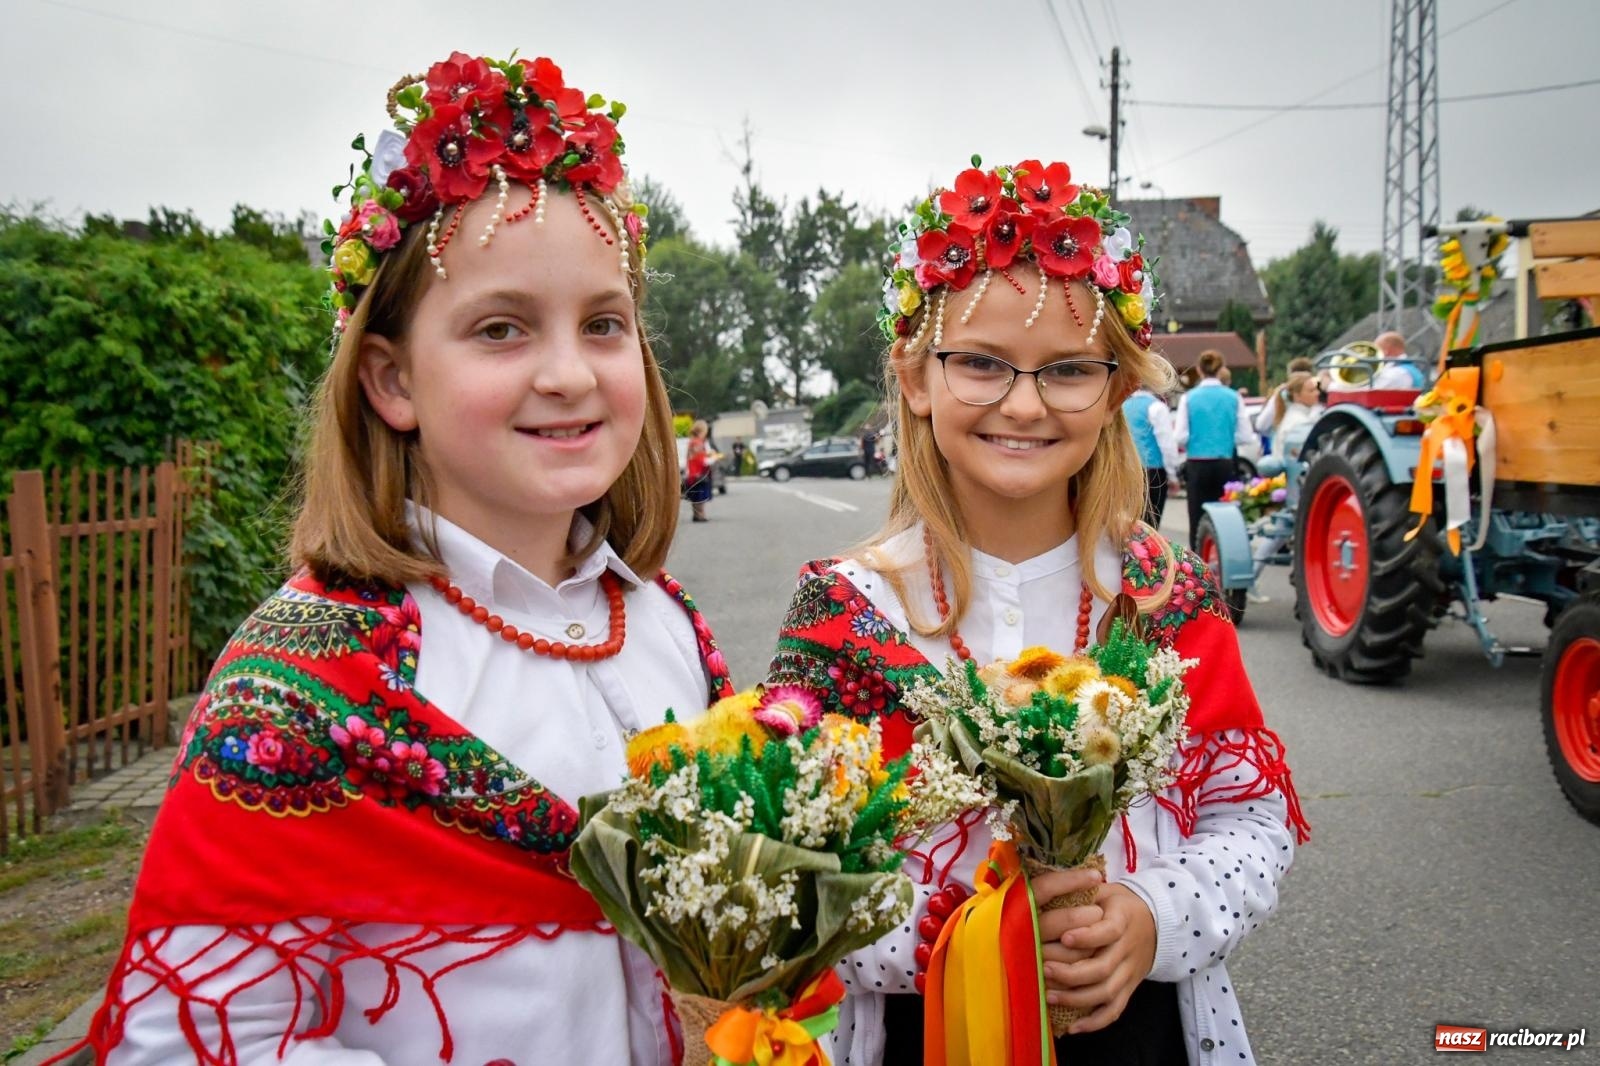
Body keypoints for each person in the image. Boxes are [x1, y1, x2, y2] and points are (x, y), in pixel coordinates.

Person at [69, 50, 733, 1065]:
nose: (568, 373)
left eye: (604, 324)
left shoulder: (666, 627)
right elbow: (190, 1035)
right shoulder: (301, 677)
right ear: (390, 380)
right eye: (501, 329)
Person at [767, 158, 1307, 1066]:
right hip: (925, 1030)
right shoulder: (846, 610)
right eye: (980, 362)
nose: (1023, 403)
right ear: (914, 377)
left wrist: (1149, 914)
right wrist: (953, 936)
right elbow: (789, 862)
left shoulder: (1163, 596)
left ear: (1117, 391)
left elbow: (1252, 820)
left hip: (1140, 1020)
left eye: (1065, 370)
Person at [1175, 350, 1255, 548]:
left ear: (1200, 371)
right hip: (1224, 463)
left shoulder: (1189, 398)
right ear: (1221, 370)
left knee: (1197, 518)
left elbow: (1180, 436)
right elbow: (1245, 436)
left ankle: (1197, 560)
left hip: (1197, 464)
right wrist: (1225, 437)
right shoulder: (1234, 397)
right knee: (1227, 517)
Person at [1122, 384, 1178, 527]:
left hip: (1126, 470)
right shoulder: (1157, 407)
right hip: (1153, 471)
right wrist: (1172, 475)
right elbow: (1166, 444)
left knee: (1128, 523)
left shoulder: (1122, 407)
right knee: (1150, 525)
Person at [1270, 371, 1324, 458]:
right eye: (1311, 390)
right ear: (1297, 396)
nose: (1317, 393)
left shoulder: (1296, 416)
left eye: (1316, 389)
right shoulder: (1300, 422)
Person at [686, 418, 713, 521]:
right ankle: (701, 515)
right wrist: (712, 459)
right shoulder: (699, 443)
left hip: (692, 473)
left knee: (694, 496)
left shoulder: (691, 442)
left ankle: (695, 514)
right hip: (700, 473)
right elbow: (701, 459)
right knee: (701, 496)